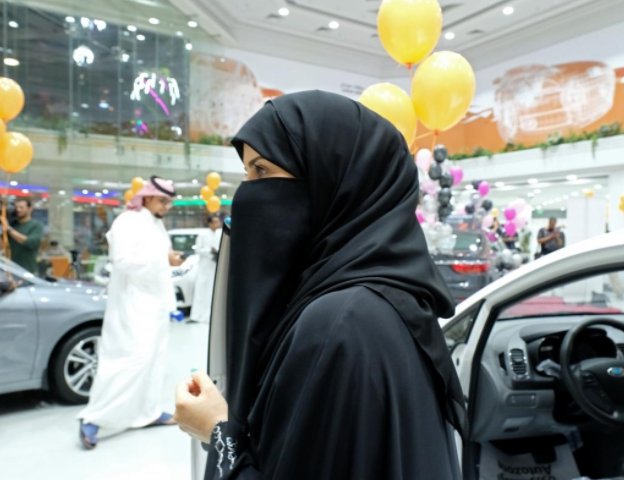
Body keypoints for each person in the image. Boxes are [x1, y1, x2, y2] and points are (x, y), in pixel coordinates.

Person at [174, 91, 466, 479]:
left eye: (261, 172)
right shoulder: (388, 300)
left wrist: (217, 431)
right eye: (246, 174)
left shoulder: (338, 325)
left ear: (331, 182)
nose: (246, 196)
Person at [78, 176, 185, 449]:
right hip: (132, 305)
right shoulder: (127, 221)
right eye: (163, 200)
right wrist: (164, 260)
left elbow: (162, 260)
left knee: (154, 361)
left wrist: (172, 262)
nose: (167, 206)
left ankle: (148, 413)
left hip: (155, 304)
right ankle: (93, 418)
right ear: (147, 197)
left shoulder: (155, 224)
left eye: (169, 201)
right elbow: (122, 261)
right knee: (129, 361)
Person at [189, 213, 224, 323]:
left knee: (213, 291)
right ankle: (197, 316)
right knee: (201, 292)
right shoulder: (202, 235)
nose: (217, 224)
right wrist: (210, 251)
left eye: (218, 222)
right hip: (204, 268)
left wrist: (218, 252)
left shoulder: (220, 234)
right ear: (209, 223)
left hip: (215, 267)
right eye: (214, 222)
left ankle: (212, 316)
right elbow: (197, 250)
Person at [0, 198, 44, 274]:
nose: (18, 210)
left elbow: (30, 243)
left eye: (21, 207)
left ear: (30, 209)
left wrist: (9, 229)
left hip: (28, 270)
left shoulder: (36, 226)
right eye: (16, 207)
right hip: (11, 270)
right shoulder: (13, 225)